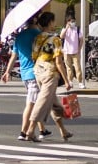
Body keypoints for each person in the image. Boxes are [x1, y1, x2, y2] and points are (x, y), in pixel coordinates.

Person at [26, 11, 73, 142]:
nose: (54, 23)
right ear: (50, 22)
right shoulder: (55, 39)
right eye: (53, 21)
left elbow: (34, 56)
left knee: (52, 102)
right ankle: (30, 130)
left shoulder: (37, 38)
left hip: (38, 71)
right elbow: (59, 62)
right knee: (42, 102)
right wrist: (67, 80)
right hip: (50, 73)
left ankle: (63, 131)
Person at [1, 15, 42, 140]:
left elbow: (14, 56)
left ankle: (34, 131)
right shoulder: (38, 35)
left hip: (24, 74)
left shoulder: (19, 36)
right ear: (35, 20)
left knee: (35, 103)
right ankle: (24, 132)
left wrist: (7, 71)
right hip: (35, 73)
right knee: (31, 104)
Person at [60, 14, 84, 89]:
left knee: (78, 67)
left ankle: (80, 82)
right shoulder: (65, 29)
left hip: (75, 51)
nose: (73, 23)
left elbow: (81, 40)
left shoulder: (78, 29)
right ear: (68, 22)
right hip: (66, 51)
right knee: (69, 68)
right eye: (71, 21)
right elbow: (61, 36)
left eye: (74, 21)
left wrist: (79, 49)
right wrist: (66, 28)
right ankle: (70, 81)